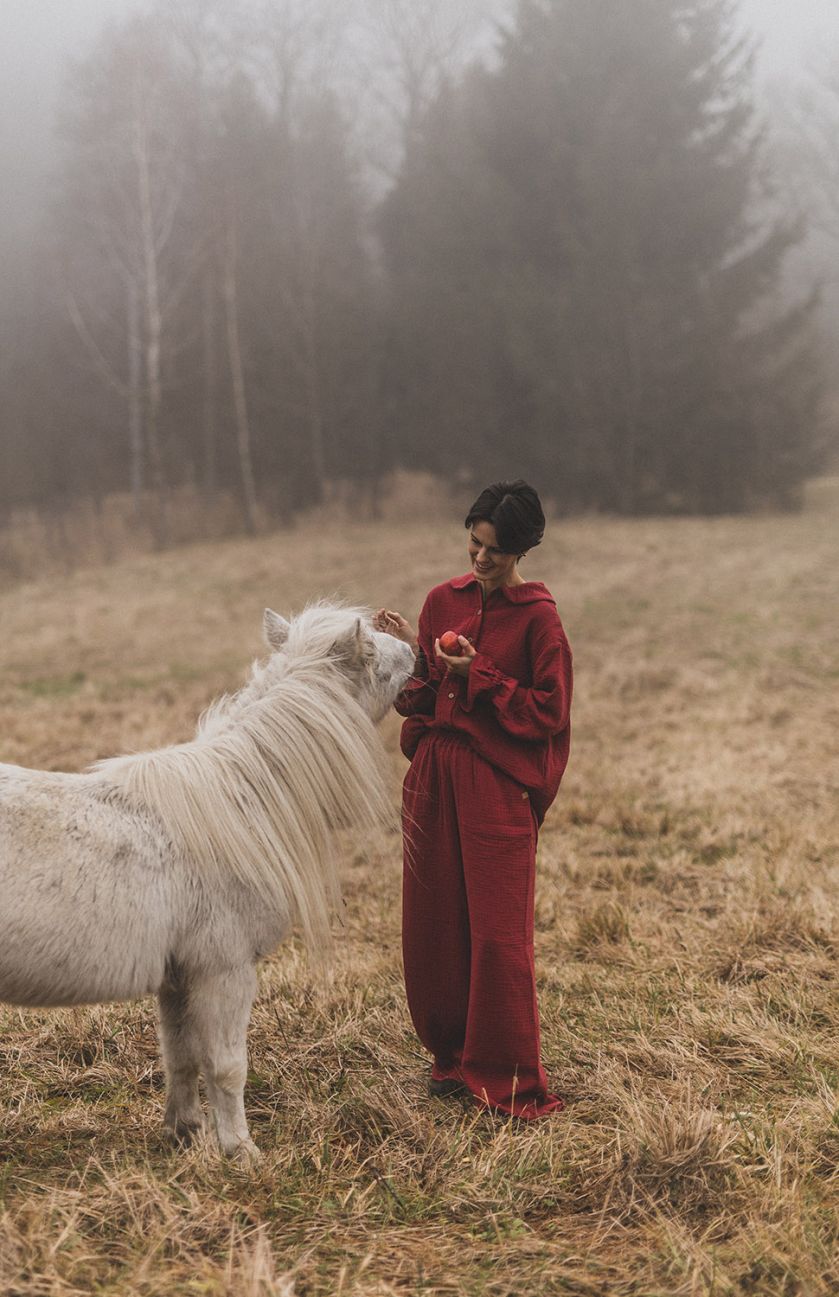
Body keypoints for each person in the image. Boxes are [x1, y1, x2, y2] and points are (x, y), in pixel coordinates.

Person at [374, 480, 572, 1119]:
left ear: (521, 550)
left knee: (497, 934)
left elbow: (550, 711)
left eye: (494, 549)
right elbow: (424, 696)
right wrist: (411, 656)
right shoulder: (442, 602)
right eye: (474, 542)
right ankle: (452, 1059)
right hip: (435, 776)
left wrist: (477, 674)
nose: (479, 558)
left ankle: (508, 1076)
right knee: (435, 925)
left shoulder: (540, 620)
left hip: (496, 787)